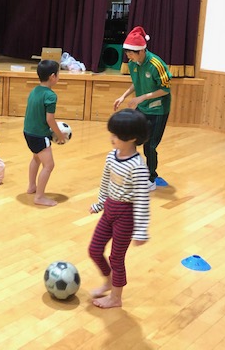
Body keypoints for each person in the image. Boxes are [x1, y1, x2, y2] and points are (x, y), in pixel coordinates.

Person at [88, 109, 151, 309]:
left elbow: (142, 200)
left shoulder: (138, 167)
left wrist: (141, 230)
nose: (112, 138)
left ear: (132, 138)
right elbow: (105, 182)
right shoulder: (111, 157)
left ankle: (116, 298)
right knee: (94, 250)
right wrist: (100, 203)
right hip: (109, 209)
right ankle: (109, 281)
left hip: (126, 215)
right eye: (112, 133)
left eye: (116, 135)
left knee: (116, 258)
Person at [114, 26, 172, 190]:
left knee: (150, 145)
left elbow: (165, 89)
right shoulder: (133, 63)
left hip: (158, 110)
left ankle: (151, 179)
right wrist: (123, 96)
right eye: (127, 53)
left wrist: (142, 97)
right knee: (132, 138)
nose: (128, 56)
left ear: (141, 51)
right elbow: (136, 82)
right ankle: (134, 171)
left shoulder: (156, 64)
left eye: (131, 53)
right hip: (143, 107)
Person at [23, 59, 66, 206]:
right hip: (39, 135)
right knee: (49, 165)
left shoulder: (34, 91)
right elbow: (50, 119)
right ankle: (39, 197)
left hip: (28, 132)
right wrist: (59, 135)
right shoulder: (50, 95)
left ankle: (31, 186)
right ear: (53, 76)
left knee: (36, 158)